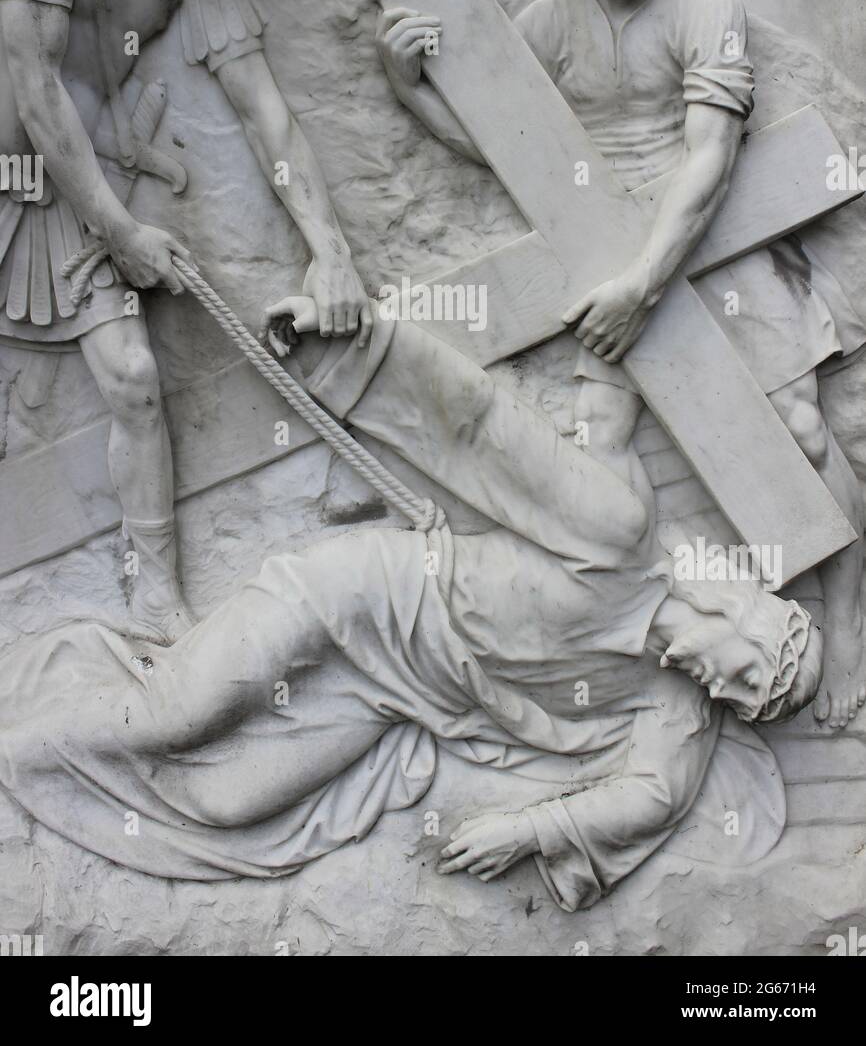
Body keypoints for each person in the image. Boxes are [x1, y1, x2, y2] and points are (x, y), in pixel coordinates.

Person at [0, 300, 821, 909]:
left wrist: (522, 831)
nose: (727, 697)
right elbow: (479, 429)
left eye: (745, 704)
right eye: (747, 677)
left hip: (393, 698)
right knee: (175, 717)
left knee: (228, 804)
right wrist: (350, 343)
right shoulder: (620, 537)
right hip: (357, 599)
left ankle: (61, 741)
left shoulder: (672, 701)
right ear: (742, 614)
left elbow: (656, 795)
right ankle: (21, 741)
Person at [375, 0, 865, 728]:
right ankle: (684, 627)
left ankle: (851, 630)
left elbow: (711, 158)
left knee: (801, 433)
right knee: (595, 452)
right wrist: (409, 93)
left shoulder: (707, 5)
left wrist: (643, 284)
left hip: (716, 244)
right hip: (600, 260)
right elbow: (504, 148)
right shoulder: (550, 26)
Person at [0, 0, 371, 642]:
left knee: (131, 377)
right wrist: (124, 232)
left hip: (67, 192)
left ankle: (155, 593)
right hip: (52, 171)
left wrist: (333, 252)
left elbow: (265, 111)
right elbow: (32, 82)